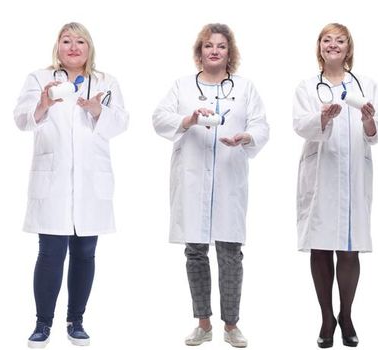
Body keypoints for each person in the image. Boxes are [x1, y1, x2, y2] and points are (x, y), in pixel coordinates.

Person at [151, 22, 268, 349]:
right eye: (208, 45)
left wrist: (247, 137)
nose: (214, 50)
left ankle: (231, 325)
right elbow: (160, 118)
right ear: (199, 52)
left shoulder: (245, 88)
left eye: (221, 46)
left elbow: (260, 125)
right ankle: (203, 323)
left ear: (230, 53)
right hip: (192, 177)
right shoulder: (182, 86)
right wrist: (187, 120)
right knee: (195, 251)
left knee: (231, 252)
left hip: (229, 176)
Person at [13, 22, 127, 349]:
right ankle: (42, 323)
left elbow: (120, 123)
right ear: (57, 47)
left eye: (80, 41)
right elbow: (21, 120)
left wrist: (97, 109)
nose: (73, 47)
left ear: (89, 47)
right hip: (53, 179)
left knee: (85, 252)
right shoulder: (39, 79)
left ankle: (76, 321)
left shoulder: (106, 82)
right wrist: (43, 105)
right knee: (50, 253)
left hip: (92, 182)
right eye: (66, 41)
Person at [292, 23, 378, 349]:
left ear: (349, 48)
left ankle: (346, 315)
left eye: (340, 41)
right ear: (319, 47)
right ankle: (326, 318)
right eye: (326, 40)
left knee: (349, 249)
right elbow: (300, 125)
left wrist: (367, 120)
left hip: (352, 175)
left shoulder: (368, 85)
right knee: (320, 247)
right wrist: (322, 118)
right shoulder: (308, 87)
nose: (333, 45)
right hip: (320, 175)